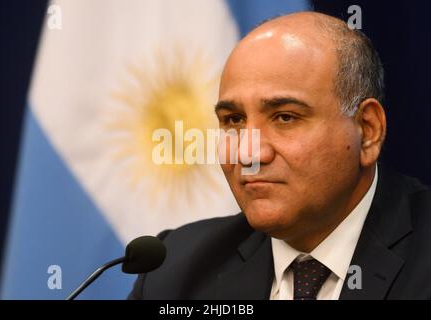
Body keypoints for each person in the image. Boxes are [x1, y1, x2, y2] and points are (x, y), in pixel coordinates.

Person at [129, 12, 431, 300]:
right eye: (233, 120)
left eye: (285, 118)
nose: (249, 153)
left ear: (367, 130)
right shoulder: (175, 270)